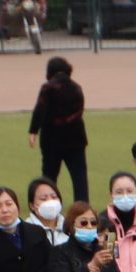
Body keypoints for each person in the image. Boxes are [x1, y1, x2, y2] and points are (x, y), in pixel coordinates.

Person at [27, 57, 87, 202]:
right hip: (76, 138)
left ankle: (46, 200)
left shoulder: (48, 88)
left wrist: (33, 130)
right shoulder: (76, 87)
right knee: (79, 175)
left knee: (49, 174)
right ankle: (82, 202)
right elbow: (79, 111)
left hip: (52, 138)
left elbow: (40, 109)